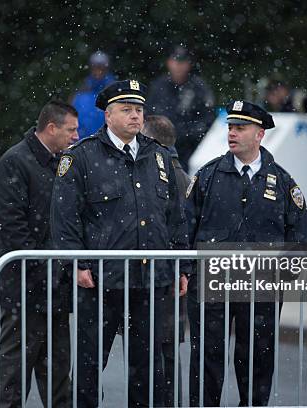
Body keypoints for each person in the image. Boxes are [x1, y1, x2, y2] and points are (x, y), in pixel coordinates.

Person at [51, 80, 189, 407]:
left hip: (148, 281)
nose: (135, 117)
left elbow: (175, 216)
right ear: (108, 115)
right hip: (101, 282)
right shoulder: (82, 157)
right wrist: (77, 264)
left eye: (139, 110)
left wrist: (182, 265)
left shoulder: (158, 157)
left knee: (148, 370)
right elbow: (65, 217)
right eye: (126, 110)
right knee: (88, 367)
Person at [186, 100, 307, 406]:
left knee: (256, 356)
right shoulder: (208, 175)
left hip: (260, 285)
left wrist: (283, 278)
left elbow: (298, 235)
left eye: (241, 128)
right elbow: (185, 228)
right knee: (207, 355)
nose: (232, 133)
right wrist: (186, 270)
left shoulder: (282, 182)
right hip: (212, 281)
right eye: (230, 127)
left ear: (259, 134)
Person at [0, 100, 79, 408]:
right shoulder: (15, 161)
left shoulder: (63, 161)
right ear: (52, 128)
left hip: (54, 286)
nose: (76, 136)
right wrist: (44, 267)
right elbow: (12, 225)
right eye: (71, 130)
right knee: (15, 368)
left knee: (57, 369)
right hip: (23, 285)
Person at [142, 115, 189, 407]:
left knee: (157, 359)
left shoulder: (161, 175)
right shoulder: (184, 177)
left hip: (159, 282)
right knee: (168, 358)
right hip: (172, 283)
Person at [146, 45, 214, 172]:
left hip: (189, 151)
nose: (178, 66)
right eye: (176, 61)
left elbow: (208, 119)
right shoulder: (158, 86)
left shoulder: (198, 88)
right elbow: (147, 115)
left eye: (182, 62)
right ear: (169, 63)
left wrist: (188, 134)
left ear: (188, 64)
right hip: (159, 148)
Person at [71, 51, 116, 139]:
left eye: (101, 67)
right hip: (83, 142)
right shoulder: (81, 93)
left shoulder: (115, 92)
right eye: (96, 67)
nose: (98, 71)